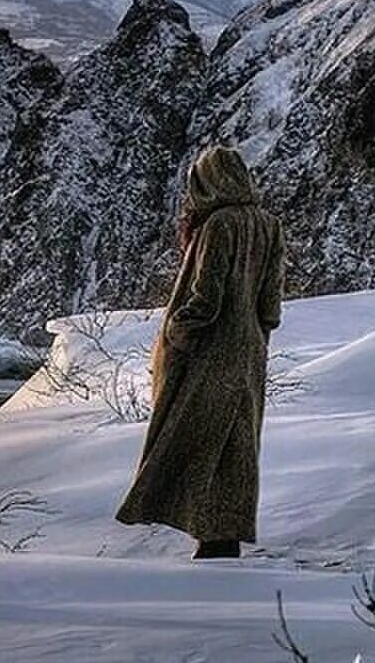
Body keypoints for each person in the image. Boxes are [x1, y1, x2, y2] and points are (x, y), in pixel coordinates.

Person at [114, 144, 286, 559]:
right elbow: (271, 305)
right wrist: (254, 338)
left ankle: (208, 538)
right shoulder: (269, 224)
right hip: (249, 351)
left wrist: (178, 332)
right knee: (235, 448)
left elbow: (205, 295)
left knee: (189, 440)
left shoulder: (220, 224)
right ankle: (221, 537)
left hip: (211, 351)